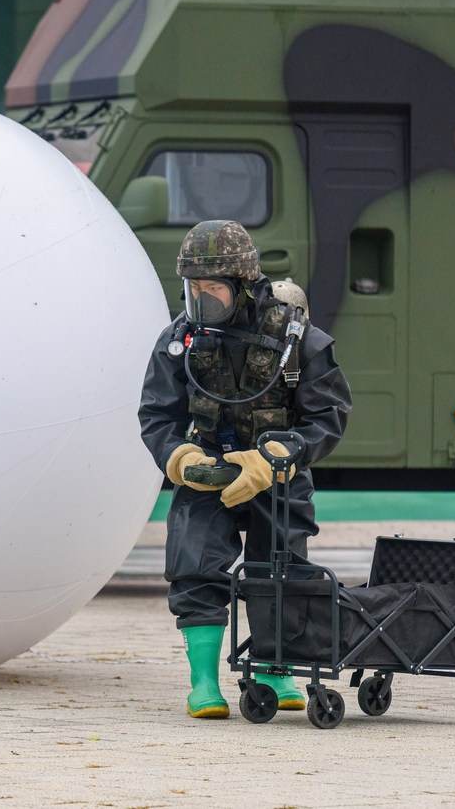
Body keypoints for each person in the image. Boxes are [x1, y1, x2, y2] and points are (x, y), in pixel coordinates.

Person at [138, 220, 352, 719]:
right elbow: (157, 414)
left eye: (212, 287)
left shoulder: (297, 338)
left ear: (243, 284)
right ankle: (203, 683)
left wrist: (278, 457)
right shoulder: (180, 340)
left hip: (274, 471)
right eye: (192, 287)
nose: (200, 298)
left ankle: (276, 672)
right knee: (193, 564)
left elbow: (329, 415)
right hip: (208, 467)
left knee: (280, 570)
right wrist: (180, 457)